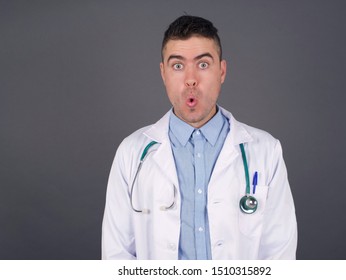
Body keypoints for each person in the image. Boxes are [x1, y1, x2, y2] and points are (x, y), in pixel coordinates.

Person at [102, 15, 297, 260]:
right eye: (178, 66)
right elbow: (116, 255)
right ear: (163, 73)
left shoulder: (266, 151)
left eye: (203, 65)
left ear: (222, 71)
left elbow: (279, 254)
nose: (191, 79)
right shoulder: (131, 153)